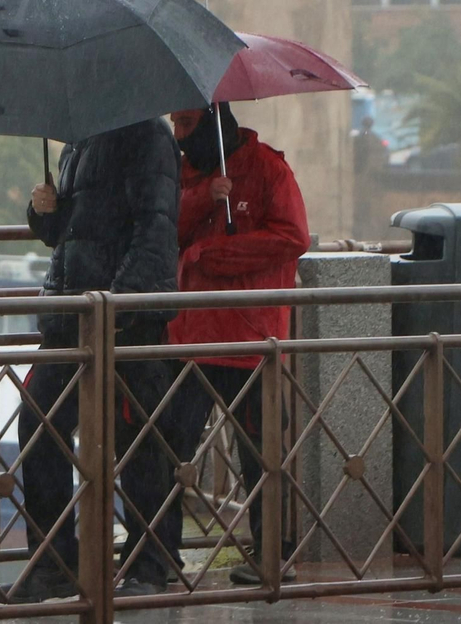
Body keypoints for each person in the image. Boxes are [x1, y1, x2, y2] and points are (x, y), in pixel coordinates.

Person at [0, 117, 181, 604]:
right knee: (39, 425)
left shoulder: (149, 136)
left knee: (138, 440)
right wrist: (44, 214)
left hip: (124, 321)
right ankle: (55, 562)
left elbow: (155, 229)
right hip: (70, 317)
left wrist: (119, 303)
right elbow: (70, 234)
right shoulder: (78, 141)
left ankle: (150, 563)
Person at [164, 103, 309, 586]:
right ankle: (158, 554)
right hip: (191, 336)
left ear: (211, 121)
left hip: (251, 338)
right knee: (166, 445)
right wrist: (205, 197)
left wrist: (214, 255)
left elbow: (293, 236)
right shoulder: (184, 172)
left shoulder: (268, 168)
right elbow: (166, 229)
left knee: (262, 453)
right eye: (175, 125)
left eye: (186, 124)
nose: (179, 135)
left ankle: (272, 554)